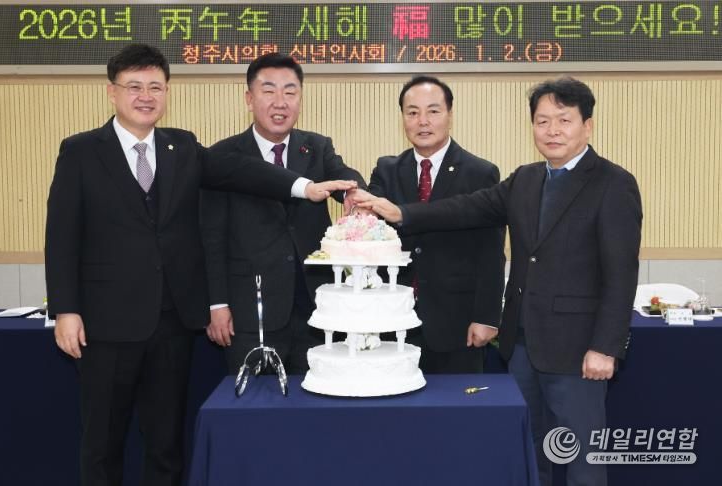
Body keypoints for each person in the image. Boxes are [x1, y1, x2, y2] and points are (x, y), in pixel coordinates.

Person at [45, 43, 354, 486]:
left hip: (172, 320)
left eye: (155, 87)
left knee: (167, 442)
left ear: (167, 92)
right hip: (106, 323)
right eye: (134, 86)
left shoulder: (181, 146)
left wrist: (303, 188)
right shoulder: (81, 151)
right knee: (102, 443)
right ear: (112, 92)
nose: (146, 96)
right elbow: (61, 236)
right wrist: (66, 309)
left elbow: (241, 171)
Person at [356, 77, 642, 486]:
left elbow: (621, 274)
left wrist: (605, 347)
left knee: (583, 460)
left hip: (578, 350)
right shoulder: (526, 178)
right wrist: (402, 213)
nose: (552, 130)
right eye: (542, 121)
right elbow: (466, 208)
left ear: (588, 126)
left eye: (564, 120)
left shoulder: (613, 183)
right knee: (528, 453)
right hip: (521, 345)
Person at [200, 53, 366, 374]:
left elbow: (341, 173)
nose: (280, 102)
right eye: (269, 91)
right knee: (254, 399)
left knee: (319, 395)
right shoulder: (222, 156)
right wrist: (217, 304)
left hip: (315, 308)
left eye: (290, 92)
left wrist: (353, 191)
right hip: (251, 311)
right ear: (249, 99)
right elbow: (211, 238)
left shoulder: (316, 147)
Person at [365, 75, 504, 373]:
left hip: (456, 322)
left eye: (433, 111)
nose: (422, 121)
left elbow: (492, 252)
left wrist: (487, 317)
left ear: (450, 115)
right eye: (412, 112)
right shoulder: (387, 169)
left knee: (455, 402)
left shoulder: (480, 173)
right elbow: (370, 223)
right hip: (393, 318)